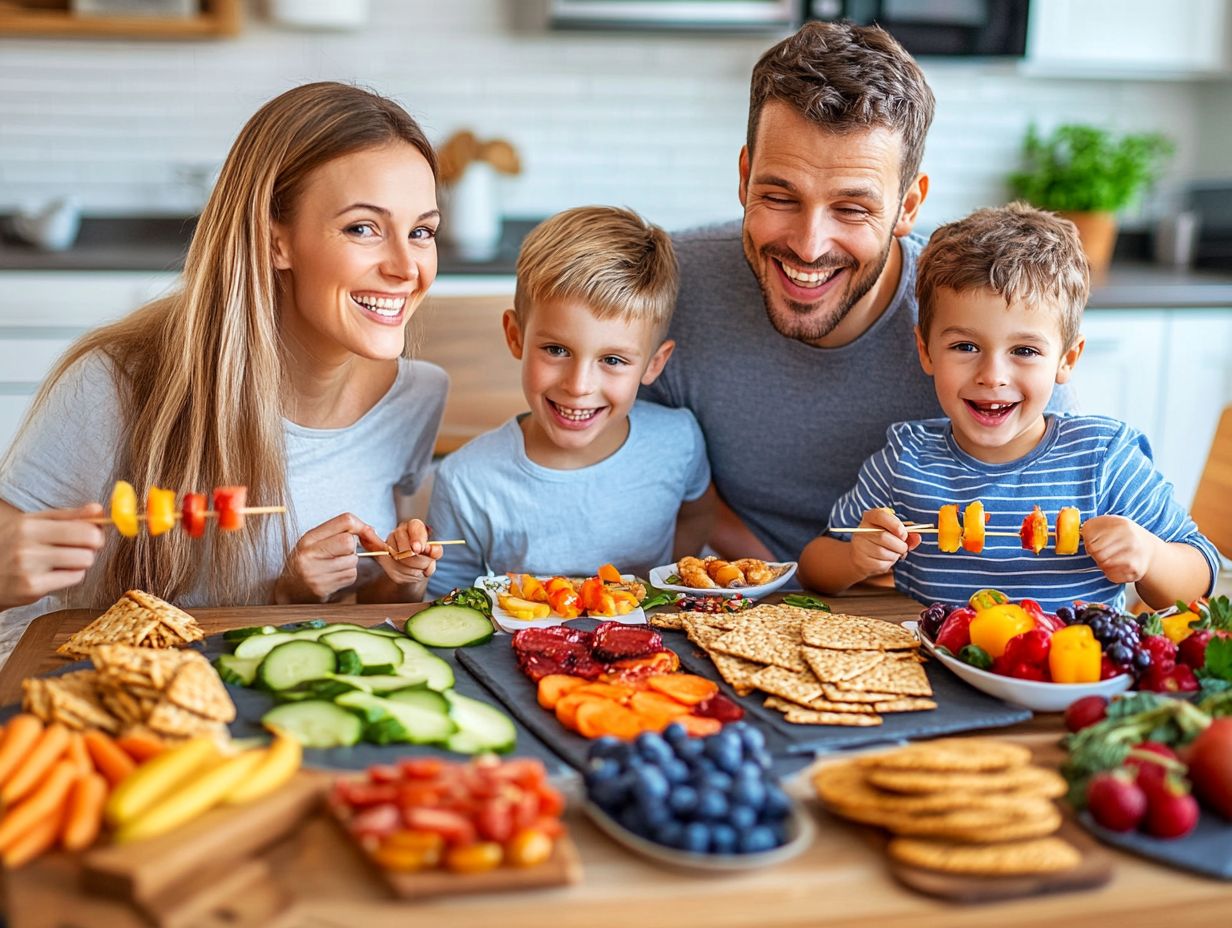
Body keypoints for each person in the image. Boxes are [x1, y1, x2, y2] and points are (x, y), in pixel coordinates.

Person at [0, 82, 448, 662]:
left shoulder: (416, 397)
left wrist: (400, 582)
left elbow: (360, 616)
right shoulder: (113, 383)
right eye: (363, 227)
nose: (406, 267)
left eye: (422, 231)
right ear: (274, 240)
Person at [642, 21, 1073, 566]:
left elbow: (1059, 496)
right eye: (779, 196)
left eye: (851, 208)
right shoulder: (671, 284)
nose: (808, 245)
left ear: (909, 205)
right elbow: (638, 464)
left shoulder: (988, 325)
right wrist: (789, 582)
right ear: (746, 176)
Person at [799, 203, 1218, 612]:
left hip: (1074, 672)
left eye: (1024, 350)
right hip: (934, 671)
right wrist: (855, 557)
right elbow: (816, 565)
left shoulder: (1103, 459)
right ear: (926, 352)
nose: (992, 375)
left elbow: (1200, 573)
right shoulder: (906, 461)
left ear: (1067, 359)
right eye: (965, 346)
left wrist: (1149, 556)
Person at [425, 206, 713, 596]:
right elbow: (449, 597)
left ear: (653, 364)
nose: (579, 386)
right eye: (557, 350)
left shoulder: (679, 440)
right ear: (515, 337)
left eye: (612, 360)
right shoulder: (466, 481)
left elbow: (698, 517)